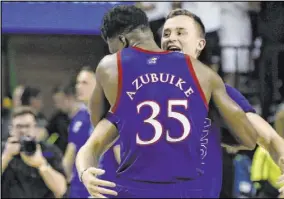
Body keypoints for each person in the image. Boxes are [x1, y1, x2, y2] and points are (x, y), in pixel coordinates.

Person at [76, 5, 260, 198]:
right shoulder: (203, 73)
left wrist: (85, 172)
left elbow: (96, 122)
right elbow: (249, 139)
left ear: (123, 41)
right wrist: (210, 128)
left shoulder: (110, 65)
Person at [161, 8, 284, 197]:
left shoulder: (218, 91)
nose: (170, 38)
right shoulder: (142, 89)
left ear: (200, 45)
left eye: (180, 32)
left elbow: (270, 138)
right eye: (166, 33)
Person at [1, 106, 67, 198]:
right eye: (19, 126)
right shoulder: (3, 150)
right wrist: (6, 156)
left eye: (27, 126)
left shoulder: (49, 151)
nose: (23, 131)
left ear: (35, 128)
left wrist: (42, 165)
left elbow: (61, 190)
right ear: (11, 129)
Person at [63, 67, 96, 198]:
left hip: (103, 189)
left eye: (84, 83)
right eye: (78, 82)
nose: (78, 87)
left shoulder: (111, 116)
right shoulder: (78, 117)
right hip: (78, 191)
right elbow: (69, 155)